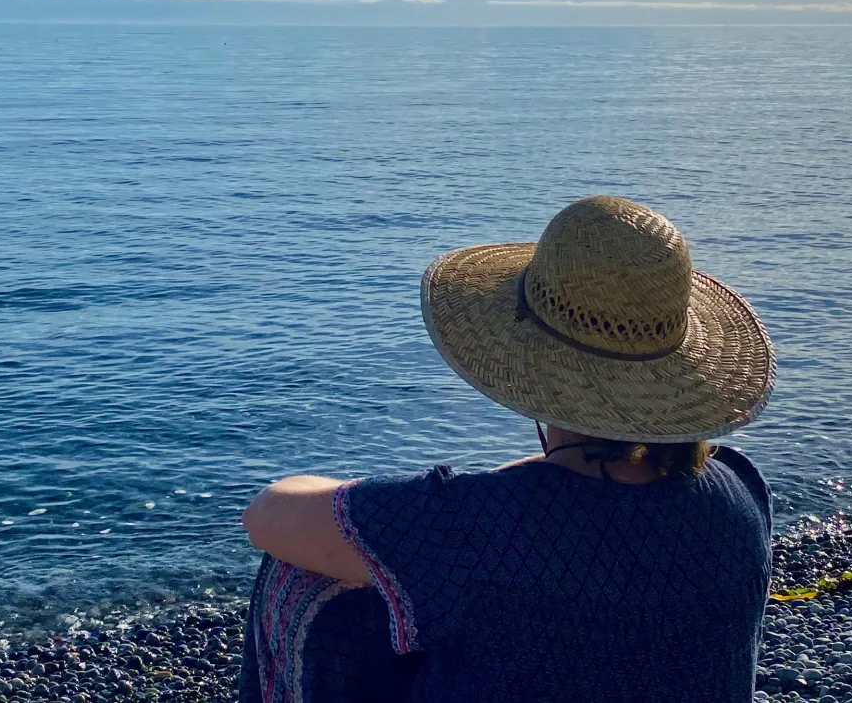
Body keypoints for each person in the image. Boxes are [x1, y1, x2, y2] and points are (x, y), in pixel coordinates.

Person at [238, 195, 776, 703]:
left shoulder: (472, 525)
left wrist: (464, 495)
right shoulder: (742, 495)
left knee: (299, 574)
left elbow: (267, 513)